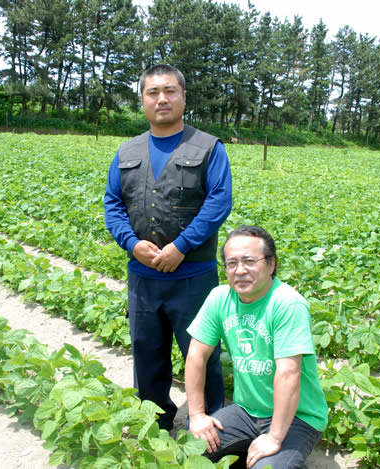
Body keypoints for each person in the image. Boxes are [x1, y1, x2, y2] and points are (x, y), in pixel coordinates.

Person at [104, 64, 231, 431]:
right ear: (142, 100)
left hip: (193, 277)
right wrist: (131, 244)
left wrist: (181, 246)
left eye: (170, 91)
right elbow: (113, 204)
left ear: (184, 97)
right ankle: (154, 422)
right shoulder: (126, 152)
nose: (162, 99)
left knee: (202, 354)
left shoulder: (209, 148)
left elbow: (219, 201)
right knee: (147, 352)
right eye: (153, 92)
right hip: (142, 277)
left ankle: (210, 426)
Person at [185, 226, 328, 468]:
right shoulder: (219, 298)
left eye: (249, 261)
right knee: (190, 451)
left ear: (271, 264)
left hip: (297, 417)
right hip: (246, 411)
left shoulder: (287, 304)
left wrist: (274, 437)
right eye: (231, 263)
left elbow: (288, 374)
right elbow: (196, 355)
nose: (239, 270)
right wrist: (197, 415)